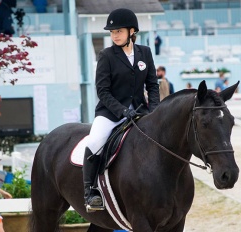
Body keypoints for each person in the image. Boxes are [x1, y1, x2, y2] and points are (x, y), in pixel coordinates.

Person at [82, 8, 159, 212]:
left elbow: (152, 85)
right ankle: (90, 192)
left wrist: (155, 111)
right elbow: (103, 91)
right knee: (95, 141)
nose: (114, 35)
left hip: (142, 111)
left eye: (118, 31)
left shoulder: (145, 52)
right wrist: (123, 111)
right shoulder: (106, 55)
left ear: (131, 31)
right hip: (111, 113)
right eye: (112, 32)